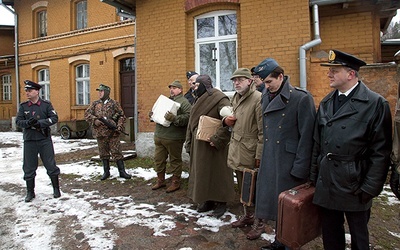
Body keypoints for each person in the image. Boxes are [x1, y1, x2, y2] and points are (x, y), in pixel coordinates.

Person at [310, 49, 392, 250]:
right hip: (328, 180)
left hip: (355, 182)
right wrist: (314, 176)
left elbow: (381, 151)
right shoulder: (327, 102)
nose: (328, 74)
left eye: (334, 70)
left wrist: (370, 187)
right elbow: (317, 143)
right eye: (329, 70)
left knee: (359, 236)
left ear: (351, 74)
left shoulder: (375, 103)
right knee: (330, 233)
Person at [252, 58, 316, 249]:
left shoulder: (301, 98)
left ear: (280, 76)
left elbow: (308, 137)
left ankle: (289, 244)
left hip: (290, 162)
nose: (266, 86)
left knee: (290, 207)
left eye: (270, 81)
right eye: (264, 82)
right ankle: (279, 241)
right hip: (271, 157)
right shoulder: (265, 96)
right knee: (277, 205)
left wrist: (301, 167)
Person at [185, 74, 235, 218]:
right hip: (199, 143)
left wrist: (218, 138)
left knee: (218, 173)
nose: (194, 88)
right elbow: (192, 122)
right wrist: (189, 141)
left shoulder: (220, 98)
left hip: (214, 144)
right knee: (203, 172)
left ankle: (221, 201)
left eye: (196, 85)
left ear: (203, 85)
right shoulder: (198, 99)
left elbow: (229, 120)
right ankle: (207, 199)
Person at [224, 68, 263, 229]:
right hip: (237, 149)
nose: (236, 83)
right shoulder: (236, 97)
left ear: (250, 81)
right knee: (243, 186)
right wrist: (226, 121)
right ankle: (248, 216)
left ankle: (259, 223)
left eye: (240, 79)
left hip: (250, 151)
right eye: (234, 80)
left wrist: (259, 155)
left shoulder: (258, 99)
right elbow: (234, 120)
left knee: (254, 188)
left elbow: (263, 131)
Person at [16, 80, 61, 202]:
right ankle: (30, 192)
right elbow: (18, 122)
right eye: (26, 91)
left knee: (50, 165)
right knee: (29, 167)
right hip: (30, 140)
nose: (27, 93)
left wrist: (39, 123)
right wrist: (28, 123)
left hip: (44, 140)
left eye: (30, 91)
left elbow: (54, 118)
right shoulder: (23, 106)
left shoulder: (46, 105)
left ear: (37, 92)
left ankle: (56, 189)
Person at [84, 83, 131, 180]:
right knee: (103, 153)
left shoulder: (114, 104)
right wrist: (94, 120)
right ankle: (106, 172)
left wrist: (119, 126)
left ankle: (122, 172)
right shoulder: (95, 104)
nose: (99, 93)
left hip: (112, 134)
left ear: (107, 92)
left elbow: (121, 116)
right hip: (100, 133)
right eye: (99, 91)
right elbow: (87, 114)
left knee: (116, 152)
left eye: (101, 91)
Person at [151, 80, 191, 193]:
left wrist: (174, 119)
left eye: (174, 88)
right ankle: (160, 180)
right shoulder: (165, 101)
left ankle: (175, 182)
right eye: (170, 88)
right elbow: (158, 112)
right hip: (160, 135)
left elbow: (189, 117)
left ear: (180, 90)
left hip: (174, 138)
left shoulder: (184, 102)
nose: (171, 90)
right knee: (158, 159)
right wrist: (153, 114)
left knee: (175, 160)